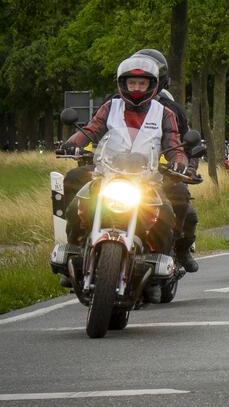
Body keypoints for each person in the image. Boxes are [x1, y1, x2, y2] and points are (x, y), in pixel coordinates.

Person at [57, 55, 187, 260]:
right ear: (122, 84)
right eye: (132, 83)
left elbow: (173, 142)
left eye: (141, 84)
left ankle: (161, 265)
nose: (136, 88)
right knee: (76, 208)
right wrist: (73, 144)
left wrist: (178, 162)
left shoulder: (164, 113)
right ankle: (75, 252)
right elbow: (91, 130)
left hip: (146, 179)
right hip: (108, 174)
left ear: (151, 85)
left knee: (166, 214)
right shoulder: (110, 107)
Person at [131, 48, 202, 273]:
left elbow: (186, 145)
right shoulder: (113, 103)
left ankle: (177, 248)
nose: (140, 83)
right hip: (117, 172)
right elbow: (97, 133)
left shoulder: (171, 109)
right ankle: (77, 249)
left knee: (180, 198)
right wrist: (83, 153)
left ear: (158, 80)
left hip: (159, 174)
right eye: (136, 78)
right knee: (80, 189)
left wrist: (187, 168)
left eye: (147, 78)